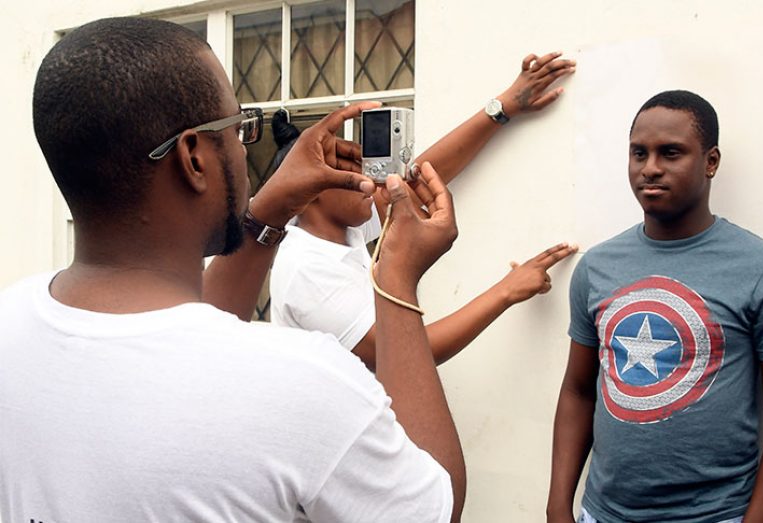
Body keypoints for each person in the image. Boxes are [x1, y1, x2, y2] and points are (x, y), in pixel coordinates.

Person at [0, 16, 467, 522]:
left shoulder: (11, 325)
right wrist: (395, 278)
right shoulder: (298, 382)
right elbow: (433, 504)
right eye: (241, 129)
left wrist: (269, 210)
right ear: (194, 159)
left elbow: (184, 348)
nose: (247, 150)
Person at [546, 90, 763, 523]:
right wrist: (558, 508)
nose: (650, 169)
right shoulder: (597, 267)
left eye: (671, 153)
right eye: (638, 153)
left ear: (711, 162)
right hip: (603, 514)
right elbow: (578, 390)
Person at [270, 52, 578, 368]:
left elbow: (422, 174)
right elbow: (404, 354)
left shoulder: (337, 229)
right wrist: (506, 291)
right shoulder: (306, 270)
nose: (367, 177)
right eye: (348, 169)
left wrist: (501, 109)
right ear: (311, 191)